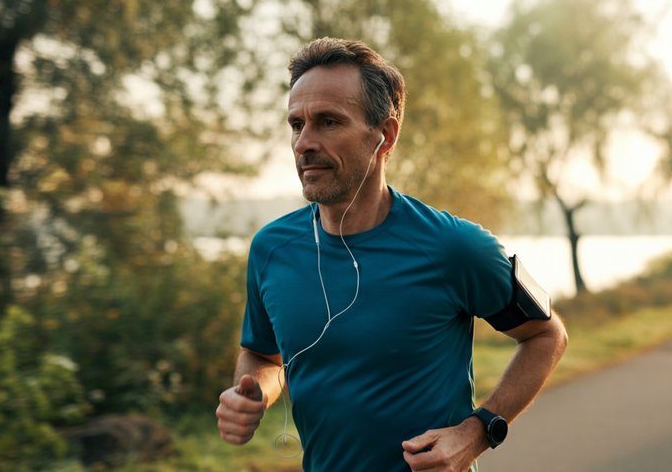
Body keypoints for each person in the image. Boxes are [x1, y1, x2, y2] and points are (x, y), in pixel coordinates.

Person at [215, 37, 568, 472]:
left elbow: (547, 336)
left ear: (385, 135)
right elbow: (263, 357)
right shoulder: (271, 249)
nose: (304, 142)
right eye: (296, 124)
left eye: (328, 122)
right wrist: (253, 392)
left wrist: (477, 432)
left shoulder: (454, 247)